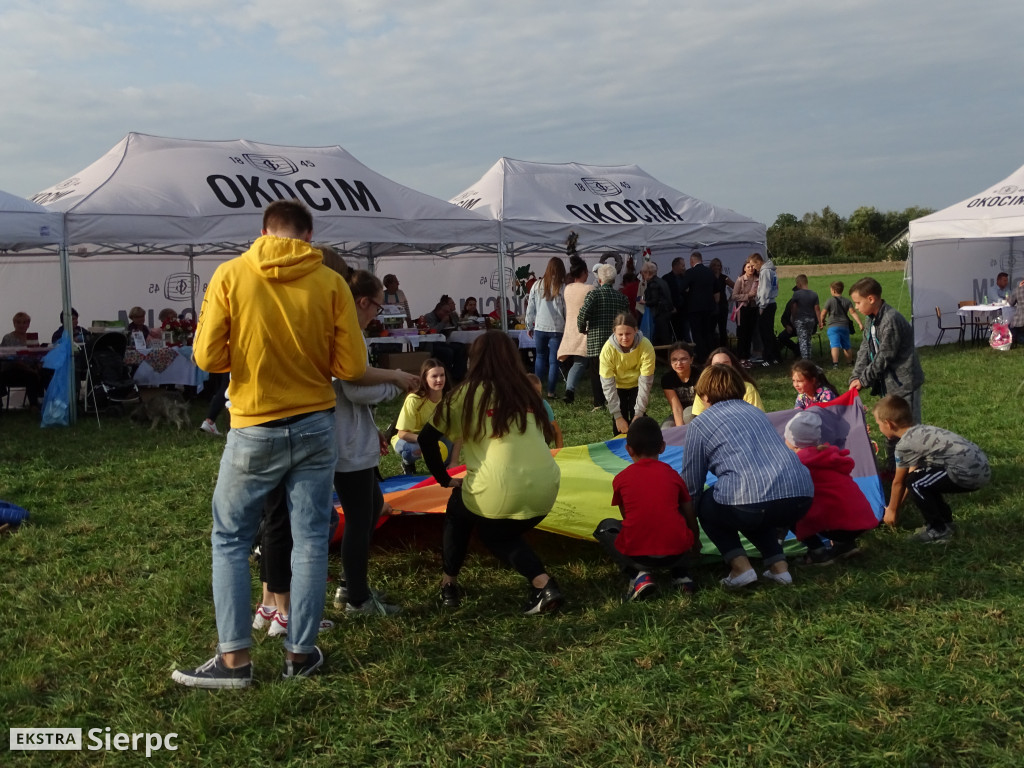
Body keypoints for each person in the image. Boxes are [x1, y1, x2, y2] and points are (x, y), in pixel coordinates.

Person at [172, 199, 367, 689]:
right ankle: (299, 654)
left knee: (231, 539)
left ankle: (234, 660)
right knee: (310, 539)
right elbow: (351, 367)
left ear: (263, 232)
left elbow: (207, 357)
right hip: (315, 422)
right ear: (309, 235)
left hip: (254, 423)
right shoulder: (331, 282)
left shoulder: (231, 274)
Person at [419, 331, 563, 615]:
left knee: (462, 509)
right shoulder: (528, 391)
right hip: (547, 490)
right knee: (495, 531)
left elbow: (426, 439)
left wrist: (444, 479)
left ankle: (449, 584)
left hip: (500, 493)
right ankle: (541, 583)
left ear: (474, 359)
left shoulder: (465, 394)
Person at [330, 270, 419, 615]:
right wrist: (395, 384)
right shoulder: (346, 332)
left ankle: (350, 585)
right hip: (345, 439)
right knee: (359, 515)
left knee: (371, 506)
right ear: (363, 301)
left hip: (350, 434)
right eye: (378, 308)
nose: (377, 316)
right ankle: (356, 597)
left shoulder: (341, 329)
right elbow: (355, 389)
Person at [681, 364, 813, 588]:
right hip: (800, 496)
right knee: (752, 504)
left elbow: (691, 486)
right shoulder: (756, 413)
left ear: (704, 396)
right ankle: (779, 566)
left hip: (753, 502)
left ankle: (740, 567)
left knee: (713, 503)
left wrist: (690, 530)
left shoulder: (700, 424)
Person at [593, 416, 700, 601]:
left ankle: (638, 576)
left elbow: (627, 518)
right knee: (678, 514)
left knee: (606, 527)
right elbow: (690, 513)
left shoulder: (621, 479)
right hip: (676, 553)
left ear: (628, 449)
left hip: (639, 556)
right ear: (663, 447)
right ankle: (682, 575)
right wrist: (695, 541)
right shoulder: (673, 475)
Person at [873, 395, 990, 543]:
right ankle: (946, 523)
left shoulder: (905, 445)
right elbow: (912, 473)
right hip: (980, 468)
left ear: (888, 424)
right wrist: (896, 507)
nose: (879, 428)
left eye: (878, 424)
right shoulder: (919, 431)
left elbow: (899, 482)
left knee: (917, 483)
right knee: (920, 480)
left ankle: (938, 530)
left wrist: (892, 510)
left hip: (969, 474)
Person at [848, 277, 925, 473]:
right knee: (889, 427)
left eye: (858, 302)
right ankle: (893, 468)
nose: (856, 307)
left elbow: (885, 355)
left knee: (907, 429)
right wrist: (855, 376)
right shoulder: (871, 319)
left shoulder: (891, 319)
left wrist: (864, 380)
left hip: (904, 383)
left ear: (871, 299)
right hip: (888, 384)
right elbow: (865, 349)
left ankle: (916, 471)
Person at [783, 410, 879, 565]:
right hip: (861, 519)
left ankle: (818, 552)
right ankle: (845, 546)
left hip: (840, 525)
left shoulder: (799, 464)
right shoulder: (827, 455)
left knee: (786, 509)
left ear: (793, 441)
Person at [578, 263, 630, 411]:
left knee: (596, 372)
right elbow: (627, 319)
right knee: (614, 372)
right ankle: (614, 401)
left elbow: (583, 314)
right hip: (616, 340)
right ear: (613, 280)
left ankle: (598, 403)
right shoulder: (622, 297)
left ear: (600, 280)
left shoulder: (594, 295)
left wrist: (582, 328)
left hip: (596, 339)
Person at [599, 312, 656, 437]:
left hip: (638, 384)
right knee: (620, 422)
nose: (624, 338)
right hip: (617, 385)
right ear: (614, 332)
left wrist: (638, 414)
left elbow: (646, 382)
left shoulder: (646, 346)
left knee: (639, 423)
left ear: (636, 330)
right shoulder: (607, 350)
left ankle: (642, 446)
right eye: (620, 334)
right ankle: (620, 446)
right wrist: (617, 416)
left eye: (628, 333)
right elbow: (607, 384)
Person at [392, 358, 453, 475]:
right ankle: (407, 463)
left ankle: (446, 464)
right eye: (434, 376)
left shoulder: (450, 399)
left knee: (451, 436)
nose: (439, 380)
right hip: (411, 439)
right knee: (412, 450)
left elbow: (458, 434)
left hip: (436, 437)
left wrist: (454, 461)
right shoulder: (414, 399)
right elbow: (402, 433)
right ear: (425, 378)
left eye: (442, 375)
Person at [525, 257, 567, 399]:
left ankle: (536, 391)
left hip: (540, 327)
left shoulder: (537, 285)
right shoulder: (562, 287)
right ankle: (551, 392)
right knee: (554, 362)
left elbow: (530, 308)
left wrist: (529, 325)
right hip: (557, 328)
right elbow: (566, 309)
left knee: (540, 357)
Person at [556, 255, 594, 405]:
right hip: (586, 330)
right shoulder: (590, 289)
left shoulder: (567, 289)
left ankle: (569, 389)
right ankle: (572, 390)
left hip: (571, 329)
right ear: (583, 272)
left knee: (578, 363)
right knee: (586, 363)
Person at [690, 347, 764, 417]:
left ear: (733, 365)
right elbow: (698, 416)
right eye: (717, 364)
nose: (721, 367)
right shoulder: (704, 388)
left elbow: (758, 415)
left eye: (725, 363)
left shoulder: (748, 388)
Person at [1, 311, 45, 408]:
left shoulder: (31, 338)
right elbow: (12, 359)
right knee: (32, 375)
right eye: (19, 322)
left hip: (30, 368)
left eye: (24, 322)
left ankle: (46, 402)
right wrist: (31, 369)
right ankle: (34, 406)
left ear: (28, 324)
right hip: (12, 370)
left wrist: (39, 365)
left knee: (46, 372)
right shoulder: (8, 338)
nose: (22, 325)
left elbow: (37, 356)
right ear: (14, 324)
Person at [679, 251, 717, 363]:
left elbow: (681, 288)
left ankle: (701, 356)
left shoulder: (690, 272)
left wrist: (689, 294)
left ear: (692, 261)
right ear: (701, 259)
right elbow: (715, 288)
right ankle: (710, 355)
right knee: (708, 332)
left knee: (697, 333)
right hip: (709, 307)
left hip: (694, 307)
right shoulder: (710, 272)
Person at [820, 280, 862, 368]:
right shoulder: (847, 301)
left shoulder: (830, 301)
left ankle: (835, 364)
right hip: (844, 326)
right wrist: (860, 323)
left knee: (834, 345)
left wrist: (821, 322)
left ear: (834, 290)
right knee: (846, 345)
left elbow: (823, 313)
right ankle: (849, 362)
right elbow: (853, 312)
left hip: (833, 327)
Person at [660, 342, 701, 427]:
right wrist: (680, 429)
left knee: (688, 413)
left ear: (691, 359)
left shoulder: (700, 375)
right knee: (666, 428)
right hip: (679, 413)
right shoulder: (667, 379)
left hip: (699, 412)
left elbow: (702, 404)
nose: (679, 363)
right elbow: (676, 408)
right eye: (674, 360)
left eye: (683, 359)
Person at [750, 252, 780, 365]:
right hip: (771, 303)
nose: (753, 268)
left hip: (766, 304)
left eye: (753, 265)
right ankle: (776, 356)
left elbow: (765, 290)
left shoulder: (765, 271)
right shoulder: (771, 270)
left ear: (758, 262)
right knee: (769, 332)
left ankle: (768, 358)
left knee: (765, 333)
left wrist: (762, 306)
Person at [636, 261, 673, 345]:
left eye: (643, 273)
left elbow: (654, 300)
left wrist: (644, 302)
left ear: (648, 273)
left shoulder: (653, 284)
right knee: (665, 336)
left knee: (658, 338)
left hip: (658, 314)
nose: (643, 275)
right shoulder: (662, 281)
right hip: (666, 312)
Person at [730, 257, 760, 363]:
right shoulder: (740, 280)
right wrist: (747, 296)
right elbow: (734, 296)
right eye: (748, 267)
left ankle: (748, 355)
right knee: (742, 333)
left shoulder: (758, 280)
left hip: (754, 308)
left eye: (752, 267)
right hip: (742, 309)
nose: (751, 269)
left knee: (751, 332)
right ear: (744, 269)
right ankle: (741, 355)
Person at [526, 373, 564, 448]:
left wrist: (559, 452)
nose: (537, 396)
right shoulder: (517, 405)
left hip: (538, 437)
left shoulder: (543, 404)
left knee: (550, 428)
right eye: (534, 393)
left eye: (539, 393)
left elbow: (556, 431)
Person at [790, 275, 820, 360]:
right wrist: (820, 321)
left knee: (802, 340)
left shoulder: (796, 294)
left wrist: (793, 318)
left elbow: (794, 307)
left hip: (800, 320)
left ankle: (805, 360)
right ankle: (809, 358)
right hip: (811, 320)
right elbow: (817, 309)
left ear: (799, 284)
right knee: (808, 340)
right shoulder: (814, 294)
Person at [662, 256, 689, 344]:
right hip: (672, 311)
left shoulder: (685, 278)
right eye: (682, 265)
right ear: (675, 266)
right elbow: (664, 296)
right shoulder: (666, 278)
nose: (684, 268)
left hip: (684, 311)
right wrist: (670, 307)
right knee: (671, 334)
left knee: (683, 334)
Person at [709, 257, 734, 348]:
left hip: (722, 305)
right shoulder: (709, 277)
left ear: (720, 267)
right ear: (711, 267)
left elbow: (735, 286)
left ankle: (724, 348)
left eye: (718, 265)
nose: (716, 267)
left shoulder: (724, 278)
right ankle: (712, 348)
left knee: (722, 328)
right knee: (711, 328)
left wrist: (730, 298)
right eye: (714, 265)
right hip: (712, 306)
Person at [1007, 277, 1024, 347]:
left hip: (1020, 319)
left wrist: (1019, 287)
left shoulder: (1018, 290)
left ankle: (1014, 341)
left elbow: (1011, 303)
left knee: (1010, 326)